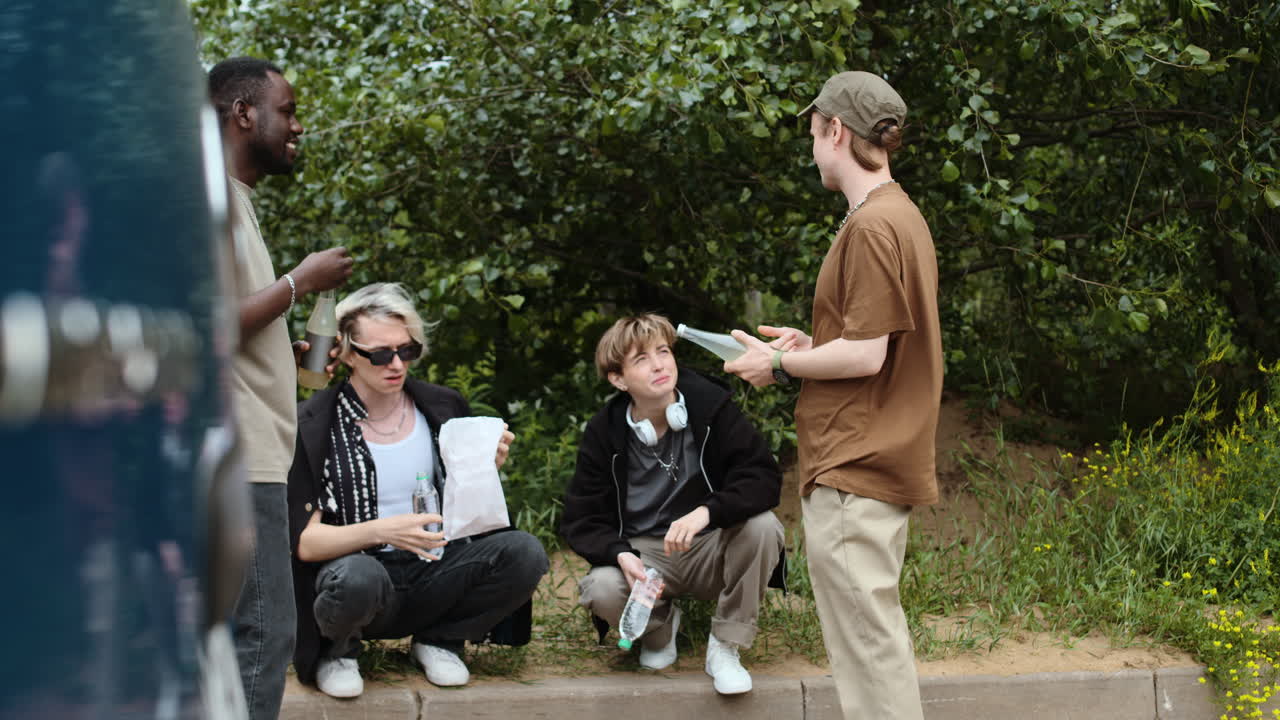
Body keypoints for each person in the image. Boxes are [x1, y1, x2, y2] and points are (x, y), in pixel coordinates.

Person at [724, 71, 942, 720]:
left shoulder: (872, 227)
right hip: (869, 460)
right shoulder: (897, 216)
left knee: (868, 654)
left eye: (814, 133)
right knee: (872, 643)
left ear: (836, 131)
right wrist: (806, 343)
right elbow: (869, 341)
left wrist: (783, 365)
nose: (811, 149)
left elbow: (868, 354)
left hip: (855, 464)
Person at [286, 283, 548, 698]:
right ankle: (338, 652)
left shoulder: (441, 406)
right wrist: (382, 531)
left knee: (524, 552)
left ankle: (440, 640)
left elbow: (469, 516)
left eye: (407, 350)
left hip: (435, 570)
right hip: (362, 579)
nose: (396, 364)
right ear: (349, 355)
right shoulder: (315, 423)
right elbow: (305, 542)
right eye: (381, 354)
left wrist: (482, 470)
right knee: (355, 575)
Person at [209, 56, 354, 720]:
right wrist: (301, 281)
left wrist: (282, 344)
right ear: (243, 113)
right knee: (263, 631)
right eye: (288, 111)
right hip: (240, 456)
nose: (297, 125)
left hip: (245, 450)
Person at [561, 314, 786, 695]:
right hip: (646, 557)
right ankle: (660, 627)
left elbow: (763, 477)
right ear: (618, 379)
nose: (660, 364)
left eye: (663, 351)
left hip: (709, 544)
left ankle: (726, 645)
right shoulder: (604, 432)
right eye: (642, 359)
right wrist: (618, 554)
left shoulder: (712, 407)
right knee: (601, 588)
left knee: (763, 526)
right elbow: (581, 519)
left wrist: (707, 512)